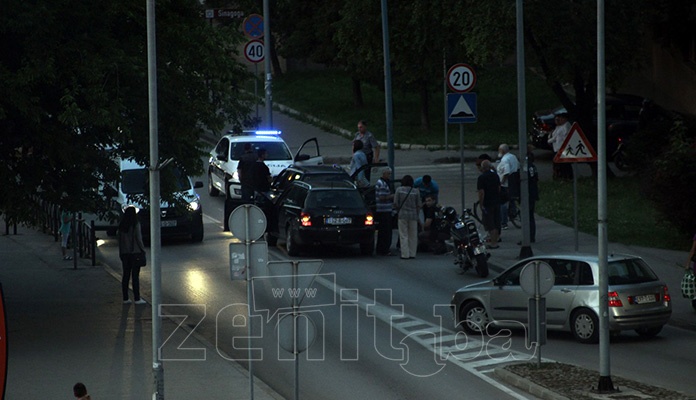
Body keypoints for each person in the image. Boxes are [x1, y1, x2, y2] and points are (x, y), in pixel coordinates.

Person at [118, 206, 147, 305]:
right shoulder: (135, 224)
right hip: (135, 253)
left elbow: (120, 241)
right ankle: (137, 298)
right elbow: (139, 239)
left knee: (126, 275)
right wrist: (143, 250)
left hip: (124, 253)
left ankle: (125, 298)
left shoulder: (122, 226)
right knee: (135, 276)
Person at [393, 175, 422, 259]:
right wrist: (417, 214)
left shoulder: (399, 190)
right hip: (413, 215)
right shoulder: (416, 191)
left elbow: (395, 203)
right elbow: (418, 205)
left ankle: (405, 254)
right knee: (413, 235)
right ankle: (412, 253)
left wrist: (398, 209)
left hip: (402, 215)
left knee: (403, 234)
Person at [477, 159, 501, 248]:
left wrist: (481, 204)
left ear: (482, 168)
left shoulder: (481, 178)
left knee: (490, 223)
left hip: (488, 202)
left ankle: (493, 243)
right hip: (496, 201)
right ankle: (496, 240)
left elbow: (481, 192)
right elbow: (499, 188)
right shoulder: (495, 175)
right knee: (496, 221)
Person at [496, 143, 520, 230]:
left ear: (502, 150)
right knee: (511, 199)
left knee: (502, 203)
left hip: (505, 184)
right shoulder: (513, 156)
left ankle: (503, 222)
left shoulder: (505, 159)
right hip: (513, 182)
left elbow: (506, 172)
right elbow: (517, 167)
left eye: (499, 150)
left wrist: (501, 183)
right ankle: (513, 213)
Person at [374, 167, 395, 256]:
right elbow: (382, 197)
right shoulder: (382, 184)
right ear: (384, 174)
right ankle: (384, 249)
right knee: (385, 231)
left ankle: (382, 248)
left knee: (384, 231)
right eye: (388, 174)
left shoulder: (383, 183)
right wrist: (392, 196)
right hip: (384, 210)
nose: (390, 175)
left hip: (385, 210)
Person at [547, 112, 573, 180]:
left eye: (561, 119)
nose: (559, 120)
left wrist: (549, 141)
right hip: (557, 148)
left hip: (562, 148)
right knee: (559, 164)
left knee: (564, 164)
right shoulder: (559, 127)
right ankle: (559, 176)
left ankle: (566, 177)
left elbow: (557, 137)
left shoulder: (566, 126)